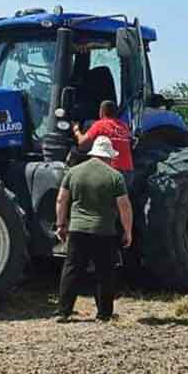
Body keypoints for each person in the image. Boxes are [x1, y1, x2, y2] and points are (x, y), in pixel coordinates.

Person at [55, 136, 133, 322]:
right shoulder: (115, 176)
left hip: (77, 229)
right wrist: (128, 231)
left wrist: (61, 224)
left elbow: (61, 200)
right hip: (103, 231)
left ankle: (63, 312)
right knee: (104, 273)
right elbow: (124, 206)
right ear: (108, 156)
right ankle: (104, 314)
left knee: (72, 270)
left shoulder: (74, 172)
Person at [73, 100, 134, 172]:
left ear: (101, 112)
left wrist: (76, 130)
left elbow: (82, 144)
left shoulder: (100, 125)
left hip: (111, 170)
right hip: (128, 170)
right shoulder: (124, 126)